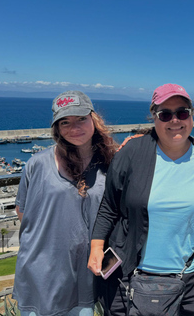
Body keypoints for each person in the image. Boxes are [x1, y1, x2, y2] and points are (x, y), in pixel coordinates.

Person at [87, 83, 194, 316]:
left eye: (182, 112)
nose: (175, 120)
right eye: (165, 114)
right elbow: (109, 205)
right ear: (153, 118)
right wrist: (96, 246)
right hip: (129, 276)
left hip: (189, 279)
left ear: (191, 115)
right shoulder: (132, 152)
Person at [13, 91, 118, 316]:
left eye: (81, 118)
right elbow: (23, 212)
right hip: (41, 273)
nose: (74, 127)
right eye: (65, 122)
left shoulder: (111, 164)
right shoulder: (37, 164)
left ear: (94, 119)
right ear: (57, 128)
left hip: (85, 273)